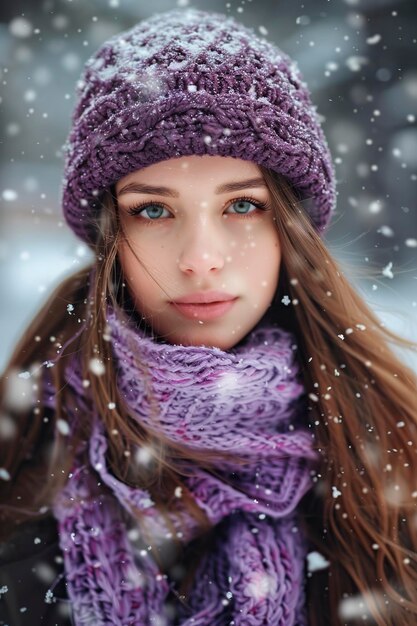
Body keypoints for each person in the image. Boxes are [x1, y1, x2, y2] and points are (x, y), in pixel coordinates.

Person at [0, 8, 416, 626]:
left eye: (243, 204)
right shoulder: (21, 466)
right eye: (154, 211)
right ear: (109, 233)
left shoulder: (395, 463)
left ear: (290, 229)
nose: (200, 260)